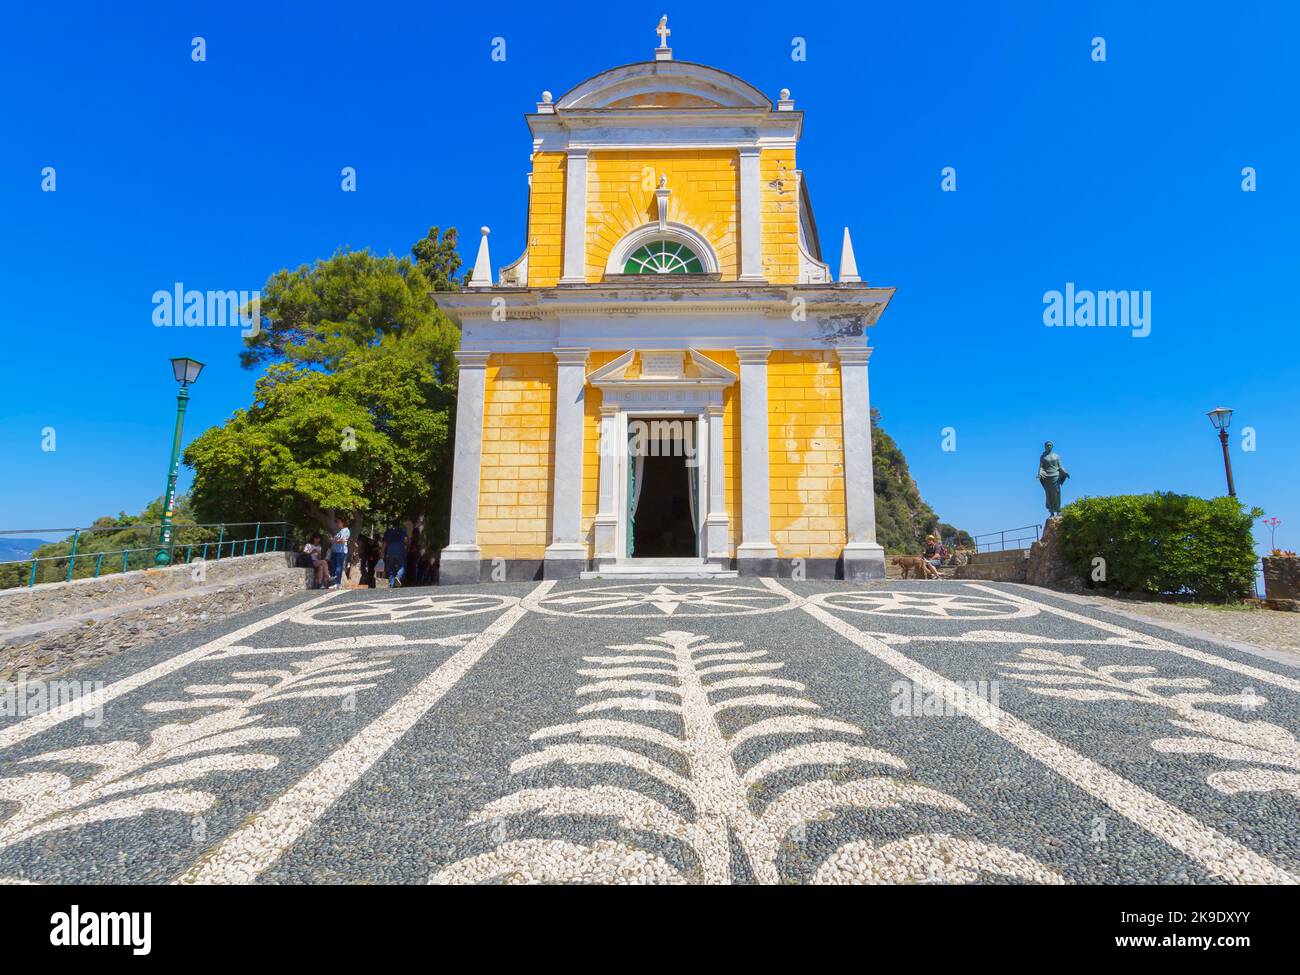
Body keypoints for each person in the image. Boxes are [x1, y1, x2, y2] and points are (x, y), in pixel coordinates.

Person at [382, 523, 408, 587]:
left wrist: (382, 552)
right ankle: (398, 577)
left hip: (390, 550)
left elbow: (385, 543)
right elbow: (406, 541)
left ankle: (392, 583)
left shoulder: (388, 531)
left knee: (390, 567)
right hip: (400, 549)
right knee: (402, 565)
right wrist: (406, 545)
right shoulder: (402, 531)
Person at [329, 516, 350, 589]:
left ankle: (337, 583)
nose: (337, 523)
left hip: (341, 551)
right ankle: (334, 583)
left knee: (338, 567)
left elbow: (342, 541)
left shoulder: (345, 530)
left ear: (343, 523)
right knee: (334, 567)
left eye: (338, 522)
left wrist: (333, 540)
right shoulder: (339, 531)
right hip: (335, 551)